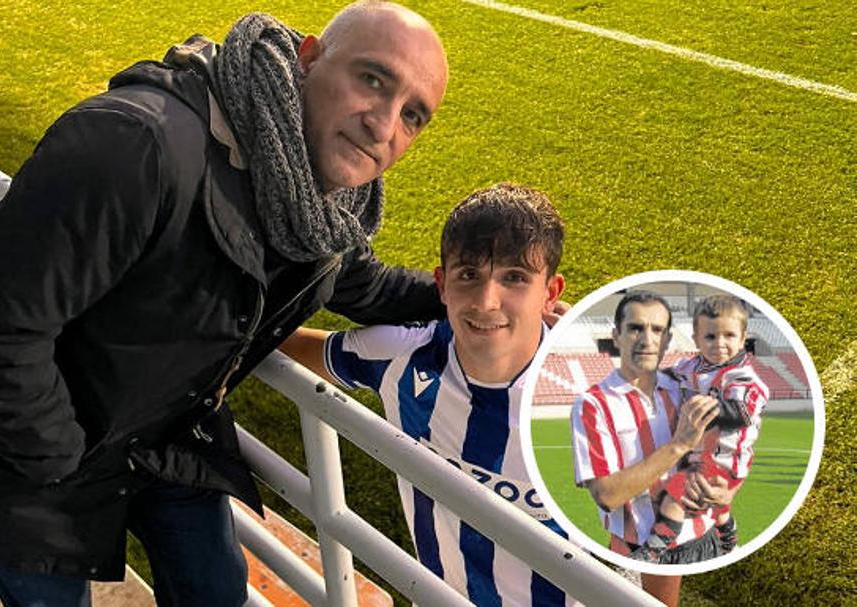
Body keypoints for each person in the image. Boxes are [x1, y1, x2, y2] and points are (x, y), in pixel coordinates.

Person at [0, 2, 449, 605]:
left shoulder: (318, 211)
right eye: (372, 80)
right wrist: (58, 455)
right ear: (307, 60)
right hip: (26, 459)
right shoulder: (136, 143)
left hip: (158, 434)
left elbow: (370, 287)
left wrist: (476, 303)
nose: (384, 124)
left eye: (413, 115)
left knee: (214, 593)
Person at [282, 183, 580, 606]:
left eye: (514, 277)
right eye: (469, 275)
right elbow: (289, 345)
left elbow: (662, 533)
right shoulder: (400, 355)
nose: (486, 301)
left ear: (550, 293)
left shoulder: (599, 395)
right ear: (441, 284)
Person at [570, 291, 734, 607]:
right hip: (633, 540)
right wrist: (678, 445)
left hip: (691, 534)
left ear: (668, 338)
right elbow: (608, 494)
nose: (646, 339)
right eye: (635, 328)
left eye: (657, 330)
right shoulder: (593, 404)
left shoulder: (684, 387)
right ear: (616, 335)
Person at [633, 294, 768, 561]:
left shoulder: (742, 376)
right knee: (718, 508)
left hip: (726, 458)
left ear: (743, 339)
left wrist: (706, 407)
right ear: (696, 339)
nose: (720, 344)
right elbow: (669, 375)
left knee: (675, 500)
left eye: (729, 336)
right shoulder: (691, 365)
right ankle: (729, 542)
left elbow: (741, 413)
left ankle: (650, 554)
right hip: (702, 453)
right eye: (710, 337)